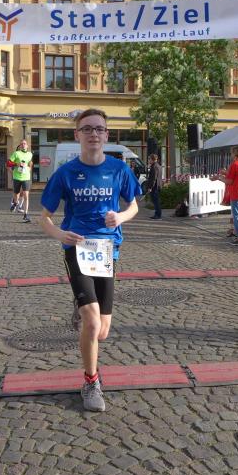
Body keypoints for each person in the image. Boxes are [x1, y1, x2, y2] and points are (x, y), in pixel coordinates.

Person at [40, 108, 141, 412]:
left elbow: (134, 206)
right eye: (87, 129)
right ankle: (91, 381)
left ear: (106, 135)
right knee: (93, 321)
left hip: (107, 250)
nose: (93, 133)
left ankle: (81, 308)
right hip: (77, 248)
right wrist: (61, 234)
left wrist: (120, 216)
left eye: (99, 129)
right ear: (77, 135)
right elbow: (44, 217)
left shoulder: (119, 169)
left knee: (103, 330)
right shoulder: (65, 173)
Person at [9, 140, 33, 222]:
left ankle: (25, 215)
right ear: (20, 146)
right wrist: (16, 164)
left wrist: (29, 168)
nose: (23, 145)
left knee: (26, 196)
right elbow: (8, 163)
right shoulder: (16, 153)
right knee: (16, 194)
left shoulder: (30, 154)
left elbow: (30, 162)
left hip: (26, 177)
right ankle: (15, 203)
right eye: (21, 144)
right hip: (17, 177)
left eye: (24, 143)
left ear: (27, 146)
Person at [145, 154, 163, 219]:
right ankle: (157, 214)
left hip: (155, 187)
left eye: (149, 159)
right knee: (156, 201)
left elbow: (153, 178)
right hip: (158, 186)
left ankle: (158, 215)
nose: (148, 160)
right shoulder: (158, 166)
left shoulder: (154, 167)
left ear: (152, 159)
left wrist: (150, 187)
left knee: (156, 201)